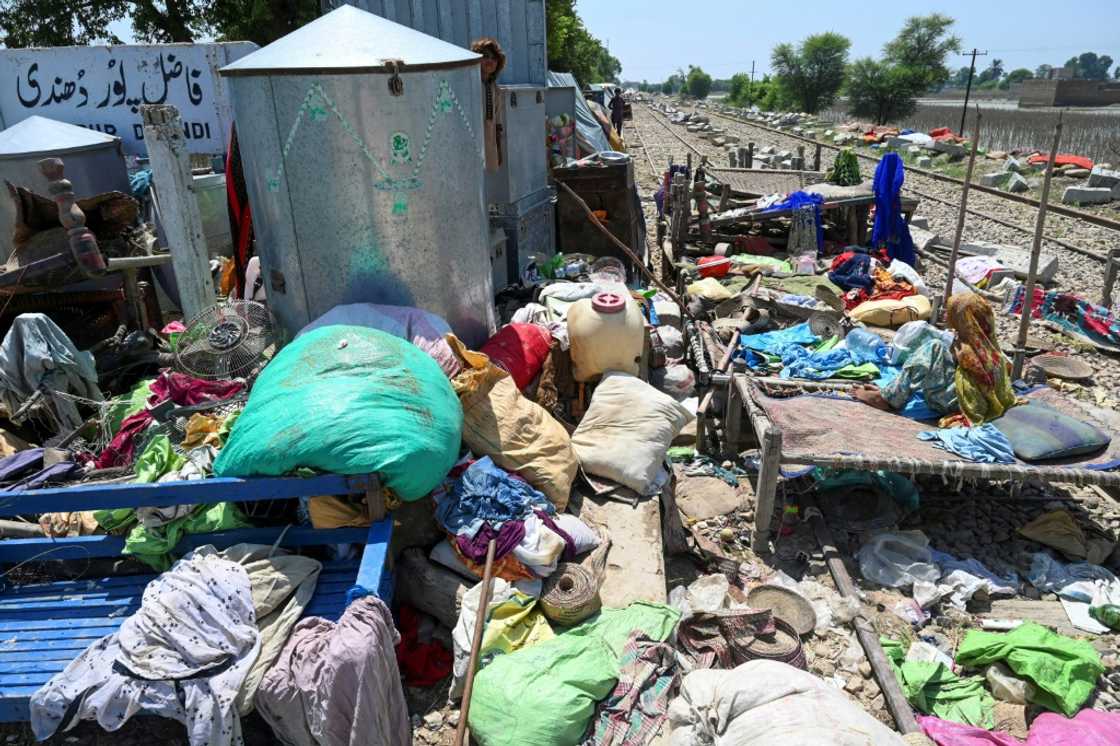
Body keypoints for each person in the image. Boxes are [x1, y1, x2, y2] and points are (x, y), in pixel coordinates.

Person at [852, 293, 1017, 424]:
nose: (947, 317)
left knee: (934, 348)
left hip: (964, 403)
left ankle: (888, 399)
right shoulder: (988, 344)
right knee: (937, 349)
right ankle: (892, 392)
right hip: (973, 400)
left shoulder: (971, 349)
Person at [471, 37, 506, 171]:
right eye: (485, 56)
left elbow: (497, 123)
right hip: (473, 141)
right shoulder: (471, 84)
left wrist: (498, 149)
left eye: (494, 58)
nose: (490, 61)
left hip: (489, 141)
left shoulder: (494, 88)